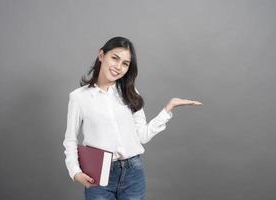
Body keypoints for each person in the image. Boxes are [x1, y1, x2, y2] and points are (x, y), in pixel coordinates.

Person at [62, 36, 202, 200]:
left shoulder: (130, 92)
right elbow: (70, 140)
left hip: (133, 173)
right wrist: (75, 172)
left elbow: (142, 135)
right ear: (101, 55)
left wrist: (167, 109)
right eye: (115, 58)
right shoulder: (79, 97)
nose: (118, 67)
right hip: (99, 175)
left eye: (125, 63)